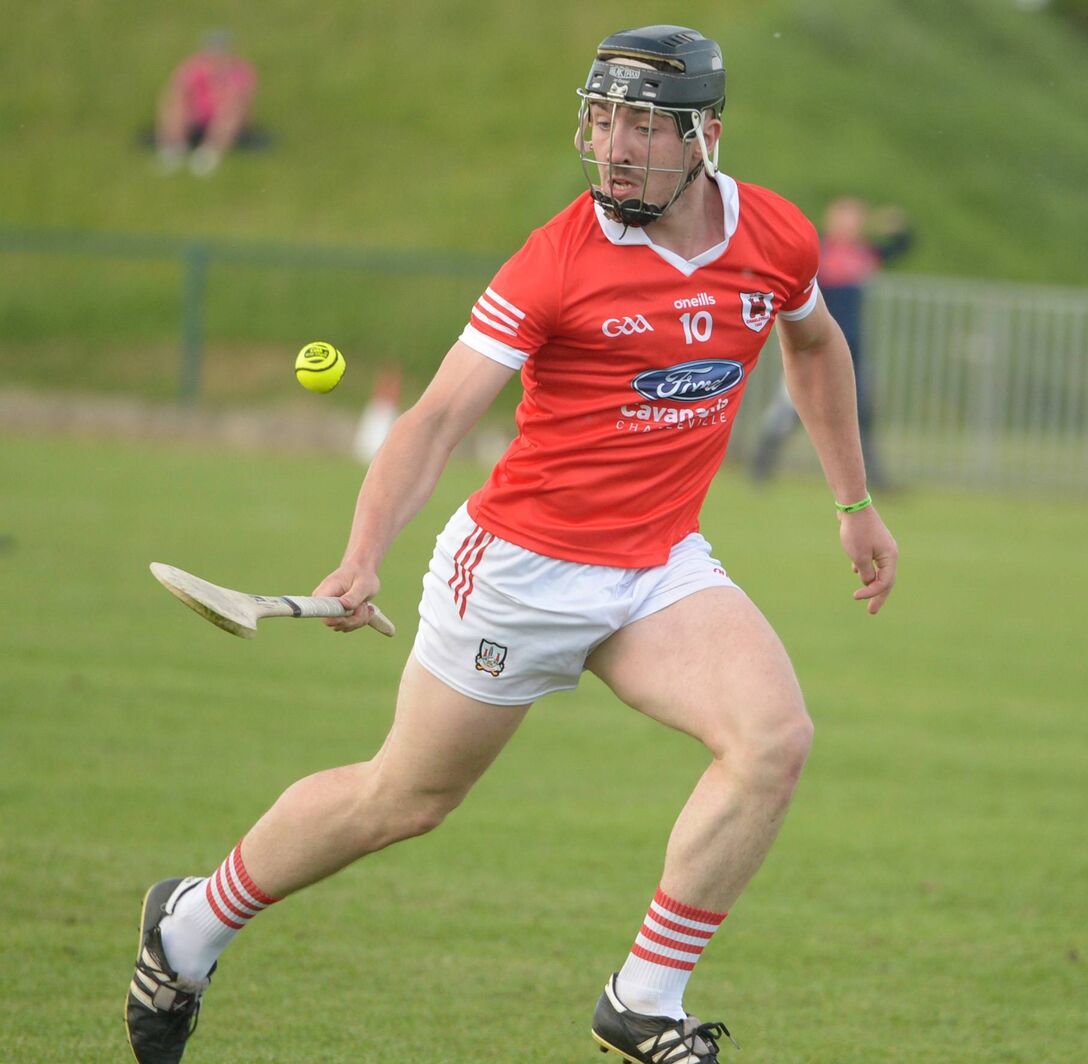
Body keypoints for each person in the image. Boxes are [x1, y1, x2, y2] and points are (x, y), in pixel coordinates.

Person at [125, 24, 898, 1064]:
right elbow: (437, 418)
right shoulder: (559, 259)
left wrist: (854, 502)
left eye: (645, 125)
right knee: (404, 798)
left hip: (660, 563)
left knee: (773, 738)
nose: (618, 146)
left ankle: (644, 996)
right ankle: (189, 923)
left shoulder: (773, 236)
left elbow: (813, 344)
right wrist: (362, 555)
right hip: (521, 570)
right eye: (607, 119)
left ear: (706, 135)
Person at [750, 195, 913, 486]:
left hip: (853, 347)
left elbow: (901, 247)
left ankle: (872, 478)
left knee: (861, 409)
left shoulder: (863, 254)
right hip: (814, 345)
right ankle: (761, 465)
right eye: (845, 216)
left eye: (856, 217)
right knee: (791, 405)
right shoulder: (819, 251)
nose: (851, 223)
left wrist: (899, 227)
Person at [153, 31, 259, 177]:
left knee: (230, 113)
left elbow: (240, 101)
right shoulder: (194, 68)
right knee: (175, 106)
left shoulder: (238, 72)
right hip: (198, 115)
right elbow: (178, 90)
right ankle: (173, 148)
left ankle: (209, 154)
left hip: (225, 118)